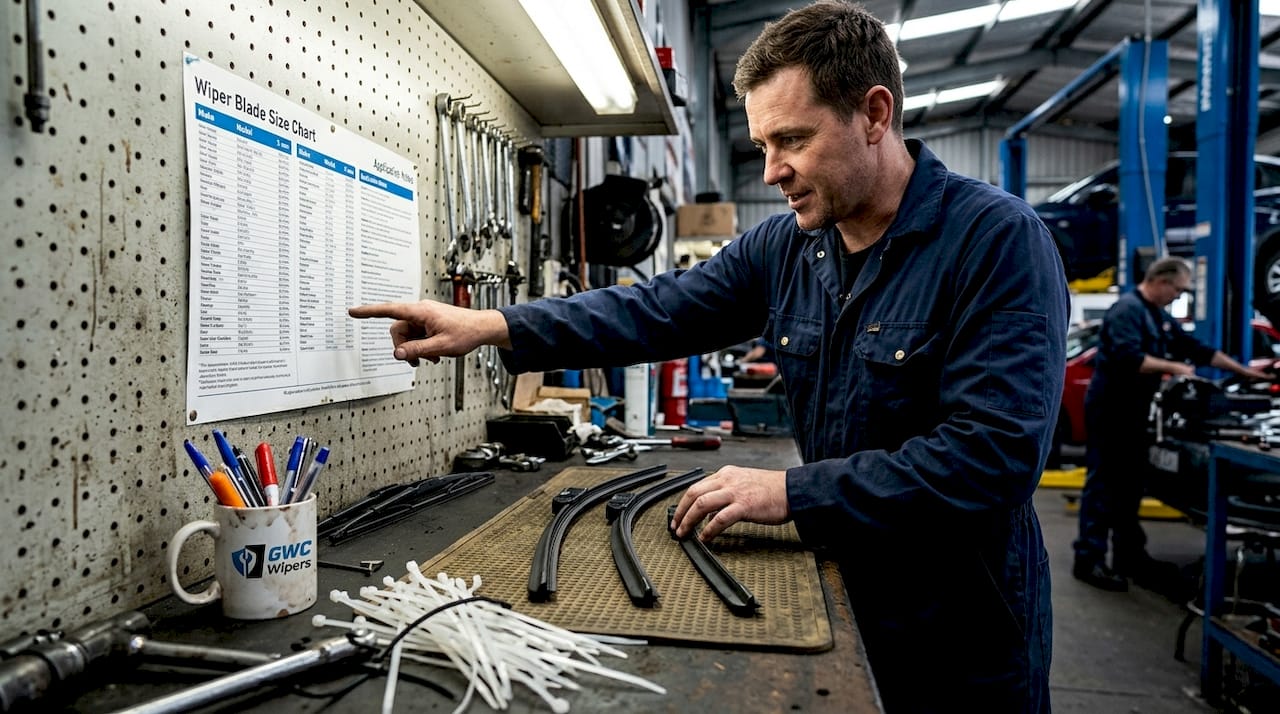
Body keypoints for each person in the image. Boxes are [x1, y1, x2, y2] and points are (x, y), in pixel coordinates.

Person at [350, 2, 1067, 710]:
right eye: (762, 145)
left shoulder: (995, 242)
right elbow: (657, 309)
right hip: (837, 589)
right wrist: (494, 324)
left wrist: (790, 494)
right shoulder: (789, 246)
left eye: (792, 140)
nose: (772, 171)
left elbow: (991, 458)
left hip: (958, 633)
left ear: (875, 114)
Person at [1073, 257, 1270, 592]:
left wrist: (1245, 371)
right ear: (1161, 281)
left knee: (1130, 485)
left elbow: (1197, 350)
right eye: (1177, 290)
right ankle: (1088, 559)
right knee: (1104, 483)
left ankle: (1128, 557)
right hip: (1111, 410)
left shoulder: (1157, 316)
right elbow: (1128, 358)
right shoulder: (1127, 310)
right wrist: (1175, 367)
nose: (1177, 296)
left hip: (1136, 413)